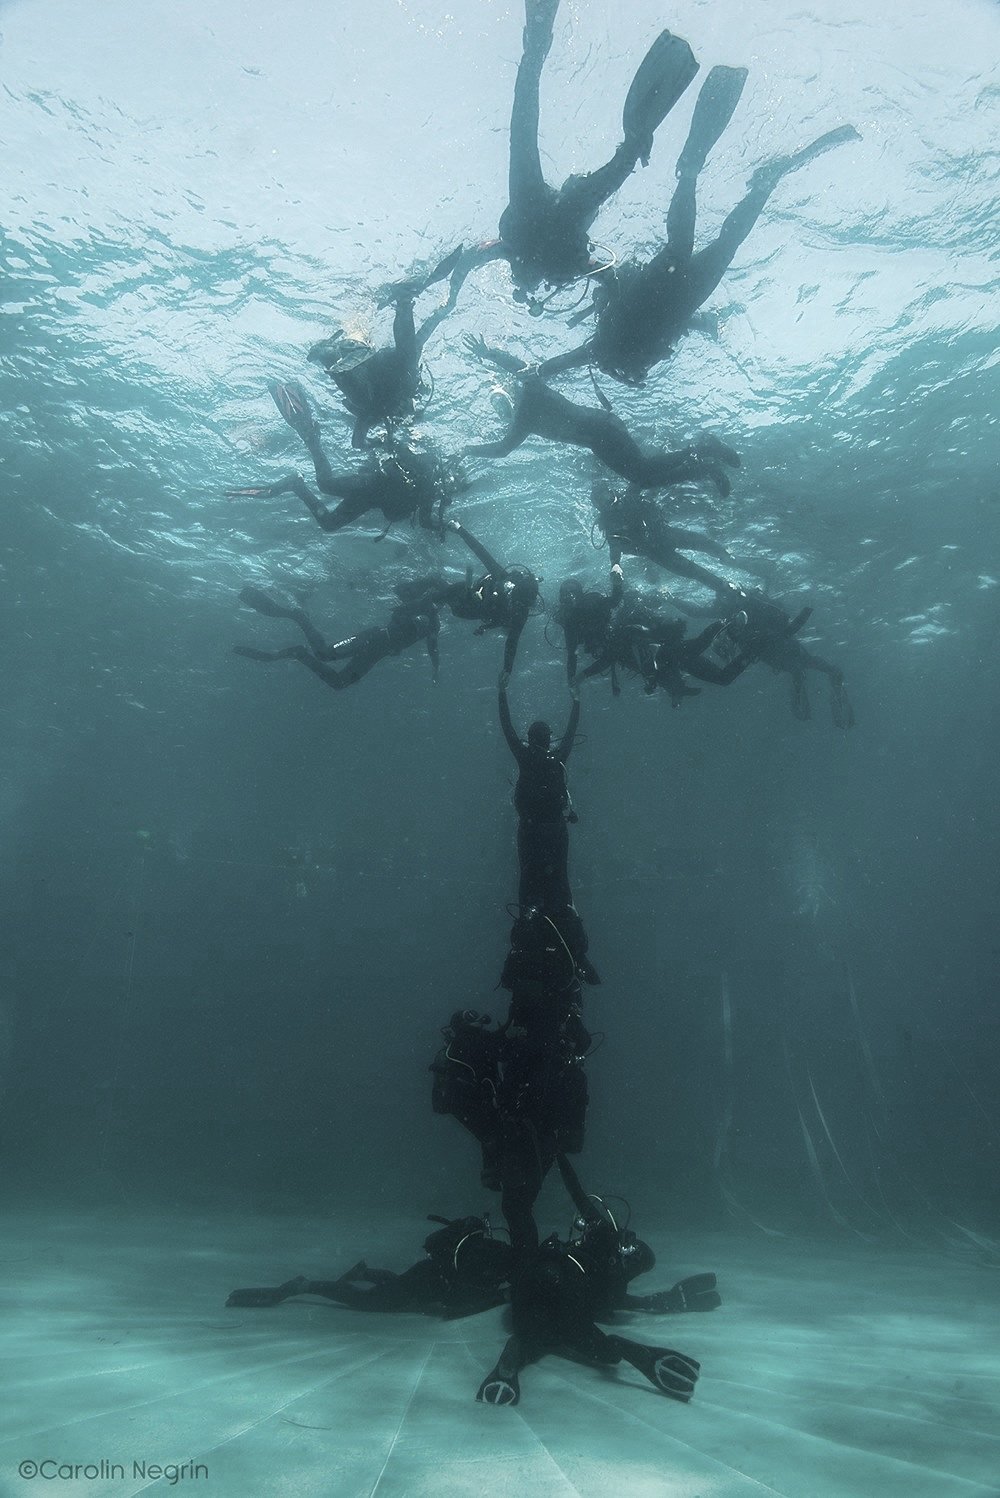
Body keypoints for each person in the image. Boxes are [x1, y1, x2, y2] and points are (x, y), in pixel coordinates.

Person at [538, 64, 859, 383]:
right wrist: (703, 323)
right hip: (681, 301)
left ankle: (690, 171)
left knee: (684, 248)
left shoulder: (600, 349)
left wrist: (539, 370)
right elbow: (665, 328)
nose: (637, 373)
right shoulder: (610, 352)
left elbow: (567, 360)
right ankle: (764, 184)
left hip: (653, 294)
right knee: (726, 247)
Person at [387, 3, 699, 312]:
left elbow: (468, 258)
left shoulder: (510, 250)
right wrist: (613, 301)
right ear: (537, 286)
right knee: (571, 148)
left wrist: (451, 296)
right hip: (561, 212)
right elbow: (607, 274)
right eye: (525, 286)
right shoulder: (558, 265)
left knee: (524, 132)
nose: (520, 283)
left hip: (539, 206)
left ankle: (535, 51)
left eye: (517, 283)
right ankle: (541, 57)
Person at [476, 1160, 714, 1406]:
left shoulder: (601, 1230)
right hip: (565, 1302)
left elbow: (576, 1191)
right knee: (588, 1348)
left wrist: (559, 1155)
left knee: (528, 1331)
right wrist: (660, 1301)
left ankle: (506, 1368)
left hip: (537, 1276)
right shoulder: (616, 1282)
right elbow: (616, 1304)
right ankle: (623, 1349)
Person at [465, 337, 740, 496]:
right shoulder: (521, 422)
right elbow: (502, 450)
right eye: (498, 407)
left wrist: (490, 354)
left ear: (510, 390)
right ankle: (706, 461)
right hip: (599, 439)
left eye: (502, 401)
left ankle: (707, 457)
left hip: (602, 428)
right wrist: (468, 450)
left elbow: (521, 368)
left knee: (643, 474)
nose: (503, 410)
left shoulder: (531, 392)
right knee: (643, 477)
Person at [225, 381, 466, 538]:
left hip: (369, 500)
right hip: (372, 483)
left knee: (329, 524)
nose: (451, 487)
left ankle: (296, 485)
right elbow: (399, 449)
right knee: (326, 485)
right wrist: (385, 440)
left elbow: (424, 521)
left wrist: (443, 526)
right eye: (454, 482)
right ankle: (311, 436)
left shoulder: (430, 495)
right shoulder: (428, 466)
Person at [225, 1214, 512, 1320]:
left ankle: (365, 1272)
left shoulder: (485, 1254)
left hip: (425, 1273)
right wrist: (499, 1297)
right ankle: (306, 1286)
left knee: (397, 1285)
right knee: (365, 1301)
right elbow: (461, 1302)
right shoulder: (489, 1259)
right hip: (423, 1282)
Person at [305, 267, 460, 447]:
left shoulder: (378, 413)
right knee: (404, 361)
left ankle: (330, 352)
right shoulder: (408, 385)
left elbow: (357, 442)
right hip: (383, 364)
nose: (404, 410)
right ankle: (402, 301)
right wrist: (442, 312)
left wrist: (379, 443)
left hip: (372, 368)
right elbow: (419, 340)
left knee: (365, 400)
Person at [397, 519, 539, 679]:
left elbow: (512, 642)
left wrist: (507, 670)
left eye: (522, 604)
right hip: (467, 597)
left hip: (467, 610)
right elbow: (481, 552)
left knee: (451, 591)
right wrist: (460, 529)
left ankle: (422, 601)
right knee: (451, 588)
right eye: (516, 598)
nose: (516, 604)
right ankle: (420, 600)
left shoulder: (521, 613)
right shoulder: (502, 578)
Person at [233, 587, 440, 691]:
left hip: (378, 653)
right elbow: (396, 614)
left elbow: (433, 646)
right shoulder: (421, 605)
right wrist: (419, 606)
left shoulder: (435, 623)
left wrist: (435, 669)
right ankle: (300, 617)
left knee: (339, 684)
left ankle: (298, 652)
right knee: (324, 654)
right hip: (372, 638)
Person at [592, 478, 763, 591]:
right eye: (599, 501)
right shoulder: (608, 521)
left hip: (664, 534)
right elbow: (614, 544)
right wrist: (615, 564)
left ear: (613, 492)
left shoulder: (629, 497)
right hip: (655, 552)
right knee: (694, 572)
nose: (605, 503)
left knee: (704, 543)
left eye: (606, 496)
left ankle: (729, 557)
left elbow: (642, 478)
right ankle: (726, 588)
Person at [499, 675, 580, 909]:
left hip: (530, 827)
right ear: (548, 740)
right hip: (556, 827)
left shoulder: (524, 757)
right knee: (560, 875)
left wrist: (501, 693)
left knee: (528, 875)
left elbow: (507, 727)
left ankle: (529, 915)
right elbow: (572, 731)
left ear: (530, 739)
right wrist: (577, 701)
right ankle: (564, 913)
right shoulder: (558, 758)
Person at [555, 568, 625, 687]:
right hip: (599, 643)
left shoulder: (593, 601)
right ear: (562, 599)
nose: (570, 596)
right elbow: (572, 655)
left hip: (613, 637)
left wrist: (617, 584)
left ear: (580, 594)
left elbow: (614, 602)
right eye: (566, 593)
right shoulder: (570, 622)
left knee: (617, 650)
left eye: (573, 591)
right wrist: (572, 682)